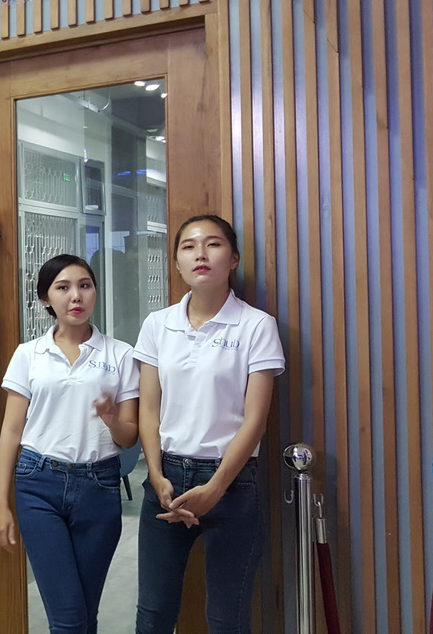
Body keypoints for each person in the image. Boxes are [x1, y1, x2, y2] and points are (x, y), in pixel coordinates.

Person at [133, 214, 285, 634]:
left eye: (213, 244)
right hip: (165, 481)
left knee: (226, 621)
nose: (200, 253)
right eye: (188, 246)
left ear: (233, 259)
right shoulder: (157, 324)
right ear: (177, 263)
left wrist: (215, 488)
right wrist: (156, 475)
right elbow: (149, 410)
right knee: (153, 615)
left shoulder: (257, 325)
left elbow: (255, 421)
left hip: (232, 484)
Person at [0, 254, 139, 633]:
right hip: (38, 485)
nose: (76, 296)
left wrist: (111, 418)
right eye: (63, 287)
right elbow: (11, 431)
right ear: (45, 298)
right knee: (69, 617)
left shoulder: (120, 354)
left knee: (85, 613)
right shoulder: (28, 354)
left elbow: (129, 436)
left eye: (85, 286)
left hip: (99, 487)